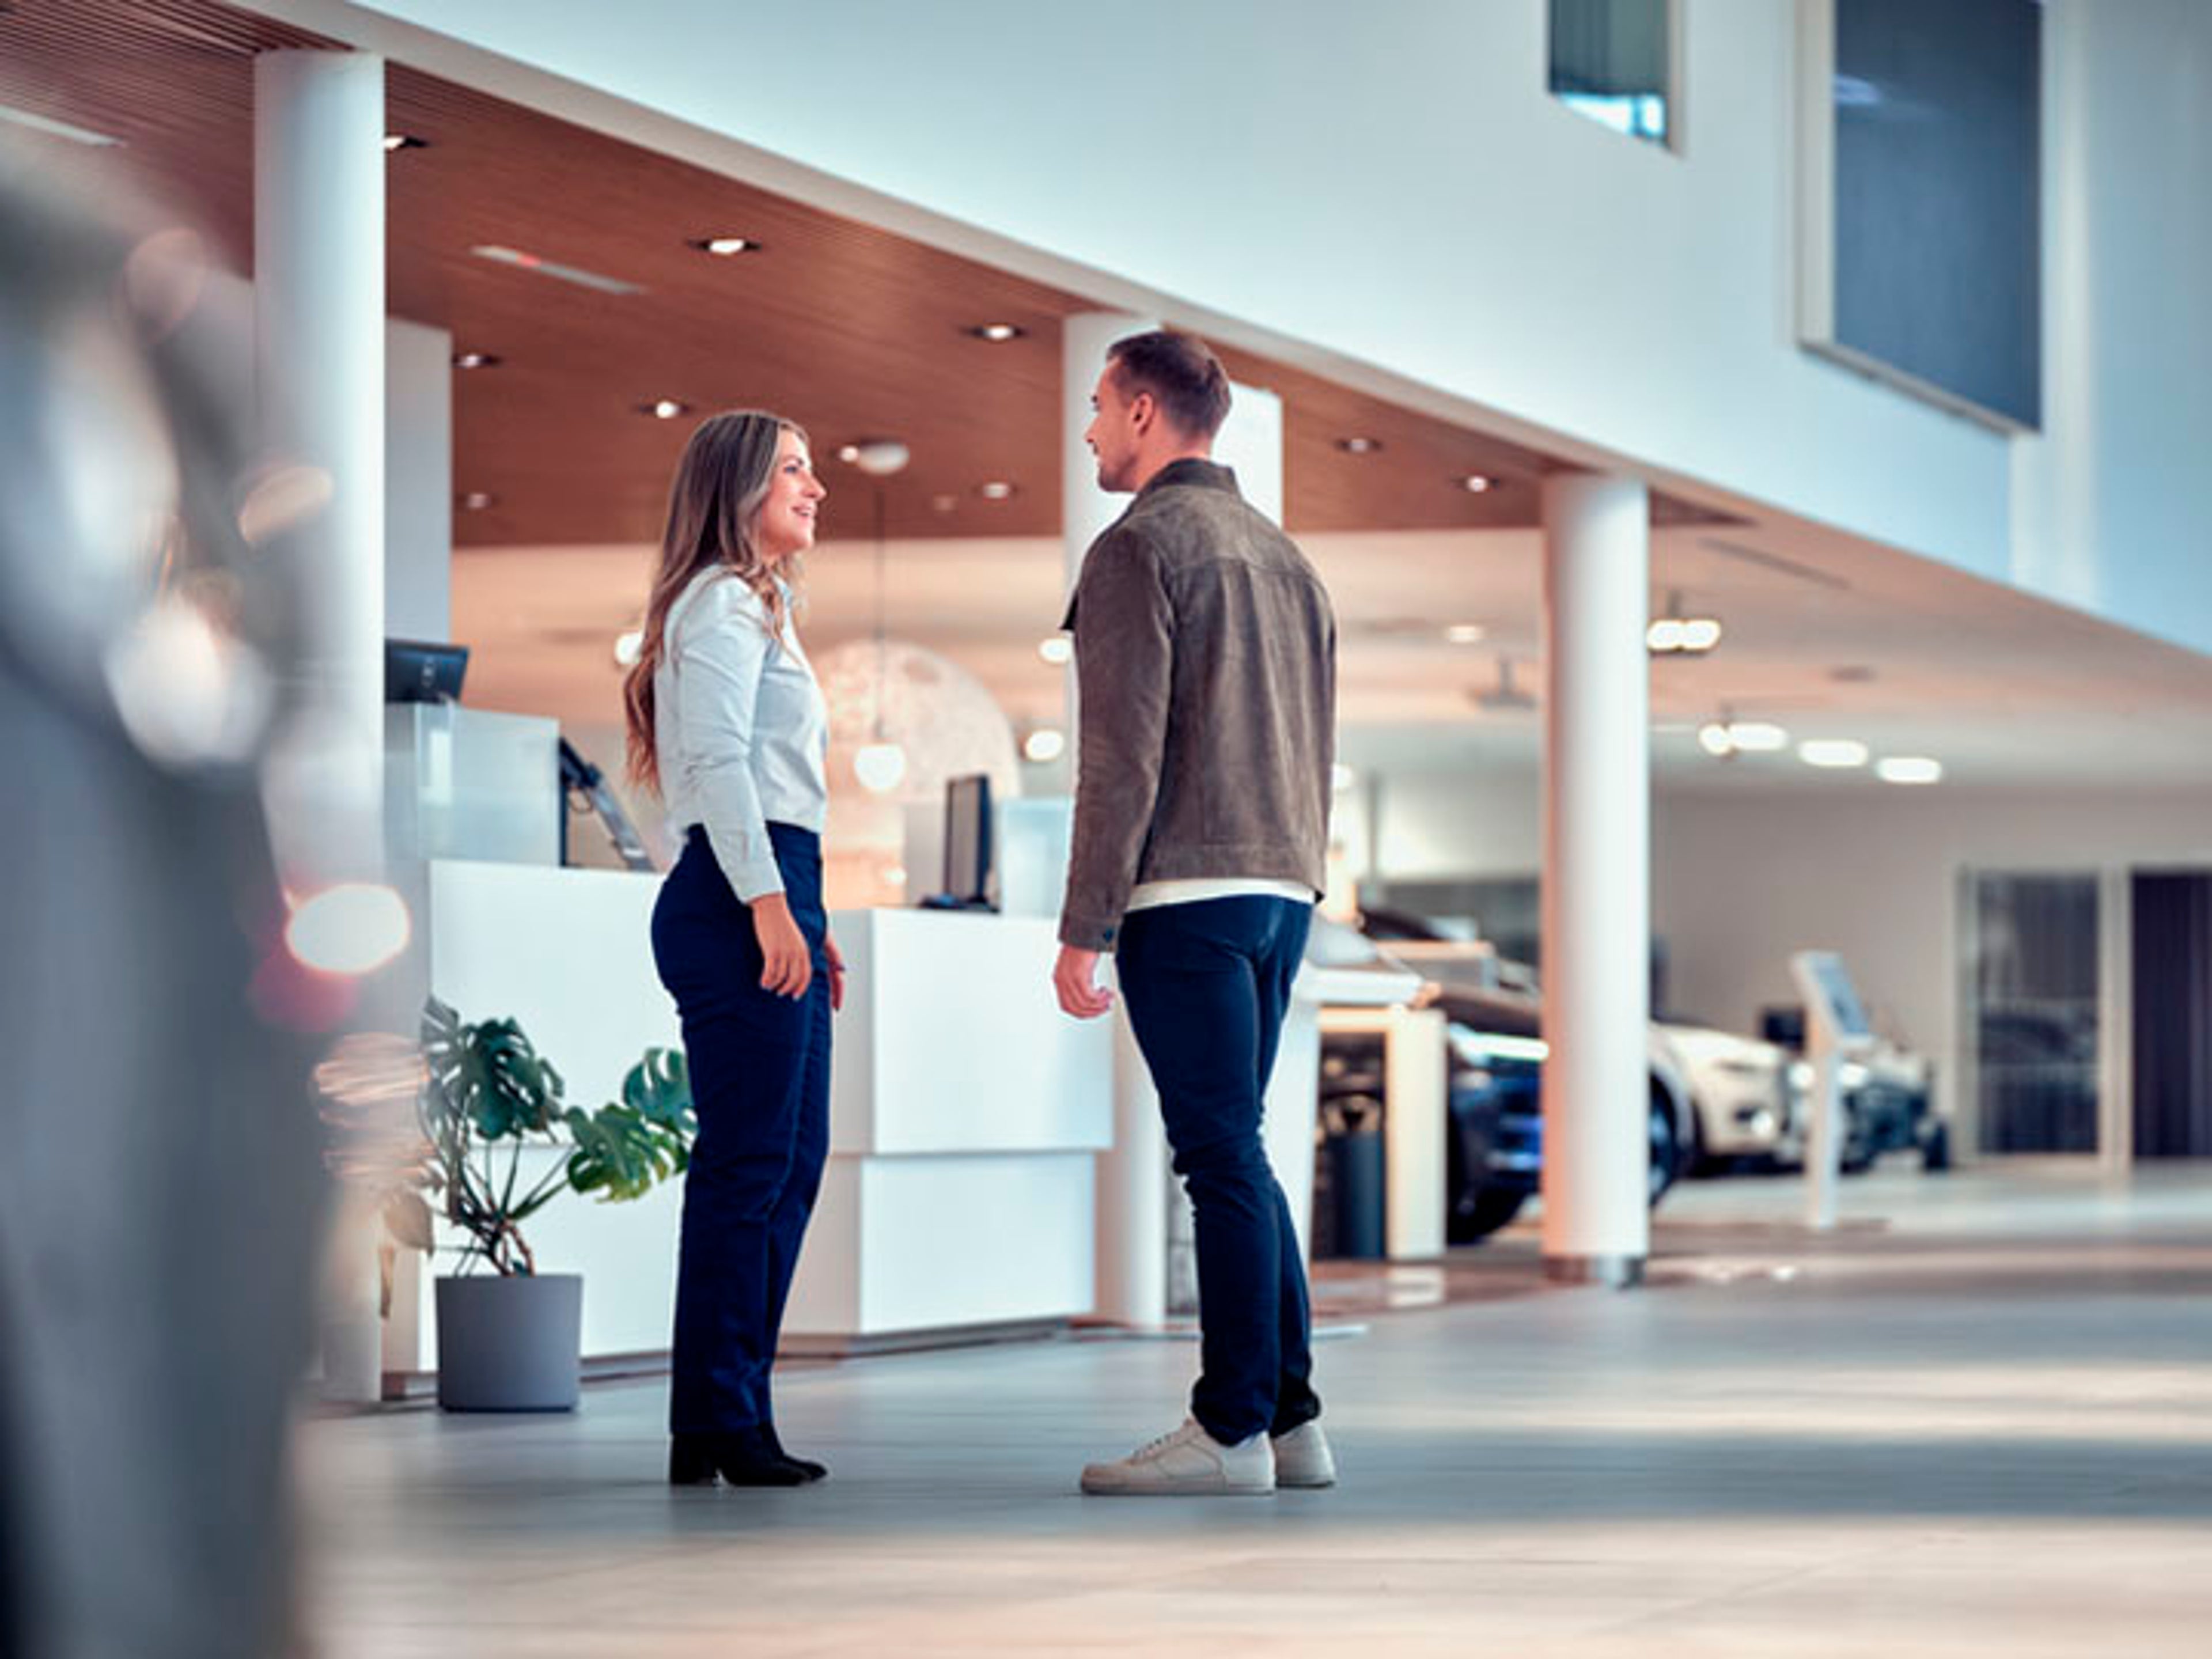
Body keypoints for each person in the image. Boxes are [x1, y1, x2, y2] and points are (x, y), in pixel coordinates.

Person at [1053, 330, 1339, 1497]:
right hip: (1281, 889)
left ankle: (1227, 1430)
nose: (1087, 429)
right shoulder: (1287, 558)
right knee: (1240, 1154)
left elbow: (1119, 756)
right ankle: (1291, 1421)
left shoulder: (1139, 548)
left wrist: (1086, 924)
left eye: (1098, 405)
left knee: (1218, 1159)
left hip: (1186, 892)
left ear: (1142, 413)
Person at [622, 411, 844, 1487]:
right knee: (749, 1165)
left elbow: (776, 780)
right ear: (740, 487)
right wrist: (768, 902)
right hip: (733, 887)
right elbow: (716, 765)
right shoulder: (718, 601)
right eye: (793, 468)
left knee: (788, 1160)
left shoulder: (760, 607)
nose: (815, 486)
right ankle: (718, 1418)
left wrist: (809, 917)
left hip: (775, 878)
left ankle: (729, 1407)